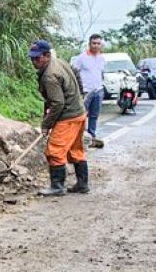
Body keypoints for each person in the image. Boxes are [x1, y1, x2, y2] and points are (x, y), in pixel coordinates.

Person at [29, 40, 89, 196]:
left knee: (55, 151)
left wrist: (47, 124)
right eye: (32, 58)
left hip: (68, 116)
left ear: (47, 56)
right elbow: (75, 72)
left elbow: (57, 103)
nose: (34, 62)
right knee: (75, 149)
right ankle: (82, 184)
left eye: (37, 58)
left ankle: (57, 187)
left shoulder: (50, 75)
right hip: (79, 112)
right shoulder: (59, 63)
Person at [72, 33, 107, 146]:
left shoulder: (101, 58)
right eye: (94, 43)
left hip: (98, 90)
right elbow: (73, 72)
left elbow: (100, 73)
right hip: (85, 91)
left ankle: (92, 136)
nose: (96, 46)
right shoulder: (82, 58)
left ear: (101, 45)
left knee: (94, 115)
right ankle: (79, 136)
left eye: (98, 43)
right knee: (82, 115)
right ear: (89, 44)